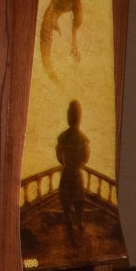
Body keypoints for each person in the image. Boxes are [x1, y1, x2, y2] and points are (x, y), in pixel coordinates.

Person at [55, 99, 90, 231]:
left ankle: (69, 221)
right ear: (79, 117)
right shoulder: (83, 139)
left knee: (66, 198)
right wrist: (78, 165)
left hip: (66, 172)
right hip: (77, 173)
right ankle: (80, 223)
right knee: (79, 199)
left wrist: (66, 163)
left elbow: (59, 156)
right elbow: (86, 157)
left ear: (68, 116)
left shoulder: (62, 137)